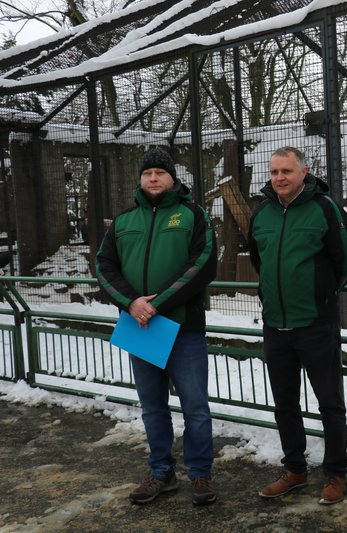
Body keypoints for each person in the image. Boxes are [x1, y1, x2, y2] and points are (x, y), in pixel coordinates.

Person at [96, 147, 218, 506]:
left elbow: (203, 263)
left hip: (183, 328)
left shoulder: (192, 215)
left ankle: (200, 475)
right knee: (152, 407)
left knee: (195, 406)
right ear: (140, 179)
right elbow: (104, 267)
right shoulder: (123, 222)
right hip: (141, 326)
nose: (153, 178)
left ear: (172, 178)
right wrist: (132, 303)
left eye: (160, 173)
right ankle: (161, 472)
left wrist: (155, 303)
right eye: (147, 173)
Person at [248, 146, 347, 505]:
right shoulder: (261, 214)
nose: (279, 178)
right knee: (285, 403)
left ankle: (335, 474)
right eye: (274, 171)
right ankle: (294, 469)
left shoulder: (325, 208)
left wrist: (321, 297)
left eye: (287, 171)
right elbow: (258, 260)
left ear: (304, 171)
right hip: (275, 325)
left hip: (315, 324)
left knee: (329, 402)